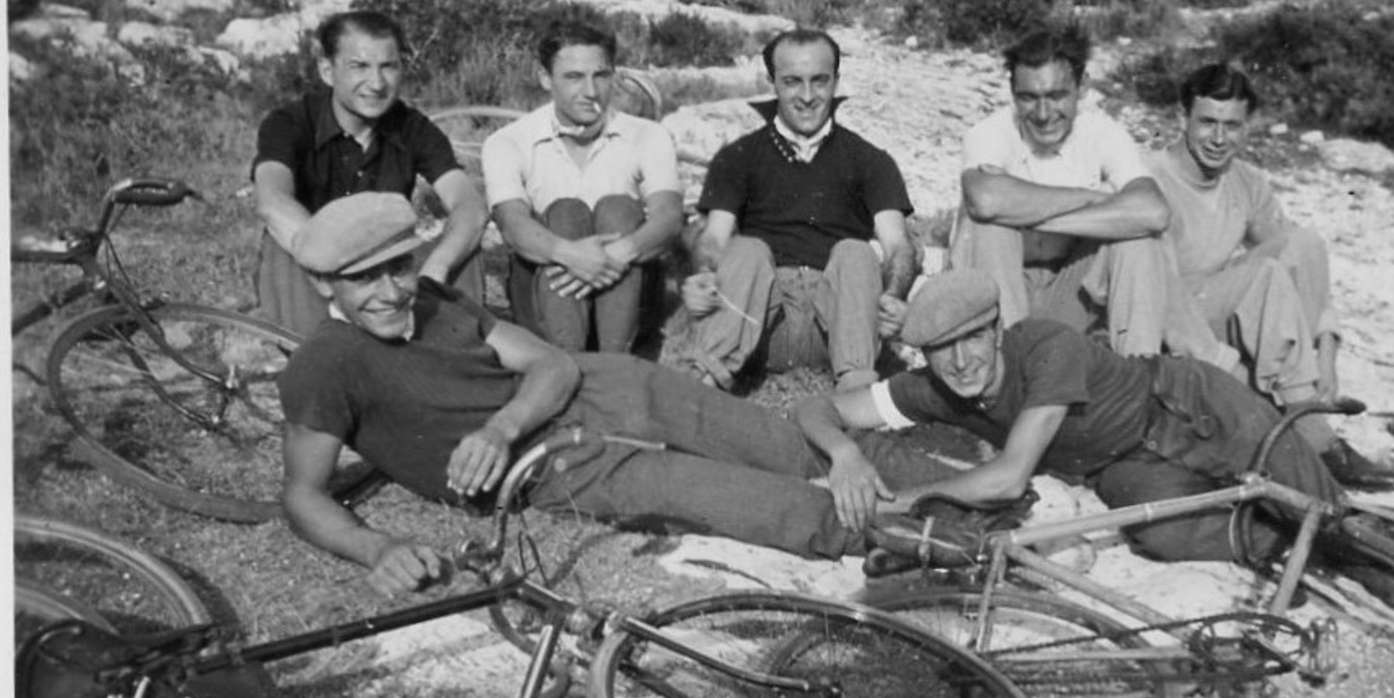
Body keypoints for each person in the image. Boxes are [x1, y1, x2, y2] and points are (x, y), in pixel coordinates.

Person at [279, 192, 925, 595]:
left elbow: (553, 364)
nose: (390, 292)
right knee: (720, 495)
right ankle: (928, 542)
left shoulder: (435, 297)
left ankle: (968, 483)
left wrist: (498, 426)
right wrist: (379, 547)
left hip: (597, 384)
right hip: (551, 466)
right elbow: (303, 494)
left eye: (396, 266)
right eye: (361, 279)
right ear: (321, 285)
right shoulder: (327, 362)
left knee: (772, 438)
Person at [793, 268, 1394, 608]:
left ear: (994, 330)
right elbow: (815, 406)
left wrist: (905, 502)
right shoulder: (932, 388)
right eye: (941, 350)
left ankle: (1372, 548)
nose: (960, 363)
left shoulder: (1043, 345)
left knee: (1316, 503)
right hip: (1119, 462)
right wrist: (844, 452)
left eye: (971, 339)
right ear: (925, 356)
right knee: (1162, 535)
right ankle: (1285, 548)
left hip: (1185, 404)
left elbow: (1010, 476)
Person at [1147, 63, 1394, 491]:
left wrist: (1326, 349)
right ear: (1182, 118)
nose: (1219, 138)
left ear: (1247, 128)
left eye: (1233, 126)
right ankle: (1318, 443)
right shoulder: (1151, 179)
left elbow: (1296, 253)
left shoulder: (1244, 179)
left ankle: (1304, 393)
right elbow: (1160, 297)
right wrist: (1231, 375)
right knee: (1261, 276)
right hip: (1173, 328)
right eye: (1207, 122)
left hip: (1221, 309)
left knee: (1304, 242)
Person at [948, 25, 1223, 365]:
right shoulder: (991, 132)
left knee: (1140, 238)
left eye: (1058, 96)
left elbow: (1153, 211)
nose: (1044, 114)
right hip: (995, 298)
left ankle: (1138, 377)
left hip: (1065, 292)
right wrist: (1092, 197)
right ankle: (1009, 373)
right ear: (1012, 92)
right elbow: (986, 200)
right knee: (990, 225)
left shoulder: (1101, 133)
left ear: (1082, 88)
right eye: (1029, 98)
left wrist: (1030, 214)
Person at [680, 28, 916, 392]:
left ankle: (856, 390)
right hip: (761, 323)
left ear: (836, 81)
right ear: (772, 81)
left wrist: (894, 296)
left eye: (819, 81)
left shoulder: (871, 160)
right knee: (746, 248)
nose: (807, 97)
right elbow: (713, 237)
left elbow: (898, 244)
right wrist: (703, 273)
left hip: (838, 322)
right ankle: (704, 380)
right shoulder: (739, 156)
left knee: (856, 251)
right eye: (792, 82)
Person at [251, 10, 487, 339]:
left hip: (388, 270)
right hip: (320, 275)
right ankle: (314, 352)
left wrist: (437, 268)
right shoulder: (289, 123)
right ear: (327, 70)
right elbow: (272, 201)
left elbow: (469, 206)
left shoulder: (413, 127)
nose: (376, 84)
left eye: (388, 67)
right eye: (359, 67)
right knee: (280, 246)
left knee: (465, 249)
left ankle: (452, 353)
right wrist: (333, 267)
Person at [481, 21, 683, 353]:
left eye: (601, 76)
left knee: (618, 208)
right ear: (545, 78)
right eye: (574, 77)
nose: (590, 91)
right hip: (547, 297)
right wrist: (572, 256)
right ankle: (568, 357)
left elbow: (669, 217)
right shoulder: (508, 141)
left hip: (626, 294)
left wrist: (617, 253)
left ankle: (613, 360)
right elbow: (513, 226)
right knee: (564, 212)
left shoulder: (647, 134)